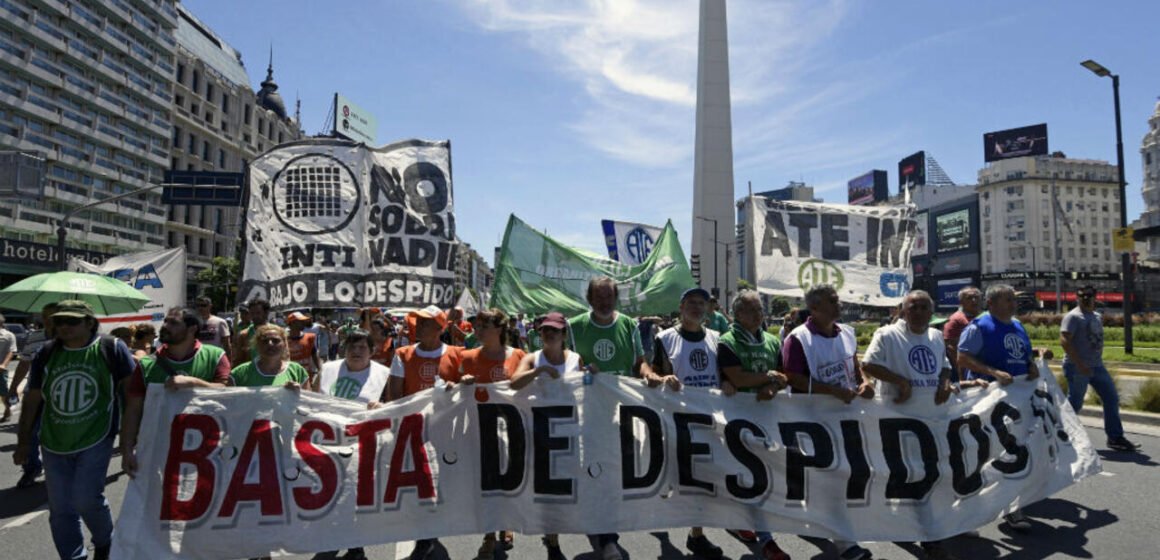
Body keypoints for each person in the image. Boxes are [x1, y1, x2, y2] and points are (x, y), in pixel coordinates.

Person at [11, 300, 138, 560]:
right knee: (59, 510)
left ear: (90, 323)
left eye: (72, 321)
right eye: (58, 321)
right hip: (53, 440)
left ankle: (106, 542)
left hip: (97, 436)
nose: (63, 326)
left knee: (86, 499)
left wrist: (129, 441)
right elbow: (33, 398)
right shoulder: (46, 353)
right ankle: (72, 556)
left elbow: (133, 394)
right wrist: (23, 441)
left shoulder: (111, 348)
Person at [862, 290, 974, 560]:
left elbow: (945, 367)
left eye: (925, 307)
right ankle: (929, 537)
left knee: (930, 475)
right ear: (903, 310)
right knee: (913, 477)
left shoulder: (935, 336)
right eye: (914, 307)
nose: (920, 312)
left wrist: (945, 382)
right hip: (898, 421)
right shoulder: (887, 335)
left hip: (932, 420)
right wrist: (901, 382)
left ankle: (925, 528)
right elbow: (869, 364)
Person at [781, 285, 874, 560]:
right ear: (815, 308)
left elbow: (855, 368)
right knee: (833, 476)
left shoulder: (846, 332)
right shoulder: (798, 339)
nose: (839, 305)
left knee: (846, 474)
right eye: (832, 301)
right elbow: (794, 378)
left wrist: (865, 383)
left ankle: (826, 522)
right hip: (814, 420)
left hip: (846, 417)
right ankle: (846, 543)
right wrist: (832, 391)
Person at [568, 276, 656, 560]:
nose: (605, 302)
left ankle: (604, 528)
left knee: (615, 471)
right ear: (590, 299)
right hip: (589, 413)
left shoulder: (629, 326)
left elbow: (638, 363)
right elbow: (565, 366)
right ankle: (607, 536)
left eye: (609, 297)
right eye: (599, 297)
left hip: (622, 411)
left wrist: (649, 374)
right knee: (596, 470)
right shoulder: (575, 327)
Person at [644, 287, 726, 560]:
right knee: (675, 478)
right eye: (691, 302)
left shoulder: (716, 339)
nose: (697, 307)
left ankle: (696, 534)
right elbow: (652, 373)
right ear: (681, 307)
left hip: (709, 420)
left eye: (702, 303)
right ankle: (664, 529)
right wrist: (663, 379)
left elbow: (724, 376)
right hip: (676, 420)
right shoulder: (665, 339)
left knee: (702, 481)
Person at [956, 284, 1040, 533]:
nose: (1013, 304)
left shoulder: (1017, 325)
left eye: (1013, 300)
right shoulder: (979, 326)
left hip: (1017, 403)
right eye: (1007, 300)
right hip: (988, 404)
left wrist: (1032, 364)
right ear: (991, 303)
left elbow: (1024, 354)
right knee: (983, 456)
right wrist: (992, 372)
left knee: (1015, 452)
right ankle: (968, 511)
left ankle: (1013, 507)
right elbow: (962, 357)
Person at [717, 291, 792, 560]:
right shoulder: (727, 341)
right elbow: (736, 378)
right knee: (752, 479)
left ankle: (744, 523)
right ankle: (768, 539)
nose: (758, 315)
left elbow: (783, 377)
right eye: (751, 310)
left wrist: (772, 386)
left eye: (759, 309)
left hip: (767, 420)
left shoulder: (772, 341)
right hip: (736, 422)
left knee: (759, 480)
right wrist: (768, 377)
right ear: (737, 314)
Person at [384, 306, 462, 560]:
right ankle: (424, 535)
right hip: (412, 430)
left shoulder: (457, 354)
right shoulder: (402, 354)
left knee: (439, 484)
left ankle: (429, 533)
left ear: (441, 328)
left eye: (428, 323)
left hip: (444, 431)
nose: (420, 327)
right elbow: (395, 393)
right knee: (417, 484)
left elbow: (466, 390)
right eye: (419, 322)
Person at [121, 307, 231, 478]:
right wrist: (127, 450)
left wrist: (193, 383)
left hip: (206, 449)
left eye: (173, 323)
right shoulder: (146, 365)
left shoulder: (215, 356)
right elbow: (133, 410)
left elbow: (228, 392)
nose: (165, 326)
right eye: (166, 321)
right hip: (158, 449)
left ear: (192, 328)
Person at [454, 308, 527, 560]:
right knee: (484, 484)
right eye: (478, 326)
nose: (478, 330)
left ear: (499, 329)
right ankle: (488, 534)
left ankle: (504, 522)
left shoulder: (518, 356)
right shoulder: (467, 356)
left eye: (484, 325)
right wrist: (460, 382)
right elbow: (449, 391)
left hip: (511, 430)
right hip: (478, 429)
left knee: (506, 482)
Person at [311, 329, 390, 560]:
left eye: (362, 348)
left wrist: (382, 406)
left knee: (358, 495)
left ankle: (356, 546)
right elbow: (313, 397)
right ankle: (334, 537)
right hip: (330, 442)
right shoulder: (327, 370)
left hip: (363, 444)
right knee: (331, 494)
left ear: (372, 352)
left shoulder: (384, 374)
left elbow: (394, 404)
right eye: (351, 347)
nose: (356, 352)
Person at [509, 311, 582, 560]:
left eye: (554, 330)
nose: (549, 334)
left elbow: (585, 388)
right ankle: (552, 539)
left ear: (563, 335)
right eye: (544, 330)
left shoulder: (575, 359)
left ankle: (553, 535)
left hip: (567, 432)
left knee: (562, 487)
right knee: (542, 485)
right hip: (537, 430)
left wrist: (592, 374)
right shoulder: (533, 358)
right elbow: (514, 382)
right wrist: (538, 372)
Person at [1061, 285, 1140, 452]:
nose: (1085, 298)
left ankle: (1115, 438)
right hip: (1077, 367)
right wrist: (1080, 364)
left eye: (1089, 295)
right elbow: (1065, 341)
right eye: (1081, 295)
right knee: (1075, 404)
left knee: (1111, 398)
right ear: (1077, 297)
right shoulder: (1073, 317)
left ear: (1094, 297)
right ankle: (1058, 435)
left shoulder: (1096, 316)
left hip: (1097, 366)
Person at [9, 302, 59, 489]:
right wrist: (14, 387)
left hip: (60, 396)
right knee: (29, 433)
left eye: (53, 317)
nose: (48, 321)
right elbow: (24, 364)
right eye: (45, 317)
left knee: (57, 436)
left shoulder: (71, 339)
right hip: (36, 395)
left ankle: (59, 472)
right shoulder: (35, 337)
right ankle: (32, 468)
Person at [229, 324, 310, 387]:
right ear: (257, 345)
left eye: (276, 340)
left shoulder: (298, 371)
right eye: (265, 341)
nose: (270, 344)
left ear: (285, 344)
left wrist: (298, 394)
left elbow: (309, 404)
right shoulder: (239, 374)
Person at [943, 286, 982, 374]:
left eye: (976, 297)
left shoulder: (984, 317)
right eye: (969, 298)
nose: (974, 300)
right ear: (961, 302)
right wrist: (961, 371)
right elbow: (950, 347)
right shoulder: (955, 319)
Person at [286, 312, 322, 387]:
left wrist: (320, 370)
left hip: (306, 377)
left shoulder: (309, 337)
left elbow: (314, 354)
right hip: (289, 378)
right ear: (292, 323)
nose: (303, 322)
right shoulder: (283, 339)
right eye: (300, 321)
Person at [232, 298, 270, 367]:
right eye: (252, 313)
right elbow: (238, 360)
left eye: (258, 313)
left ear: (266, 313)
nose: (255, 316)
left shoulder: (277, 332)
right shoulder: (244, 335)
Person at [0, 314, 17, 423]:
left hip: (1, 369)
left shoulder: (9, 335)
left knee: (3, 392)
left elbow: (12, 351)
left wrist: (4, 365)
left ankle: (7, 410)